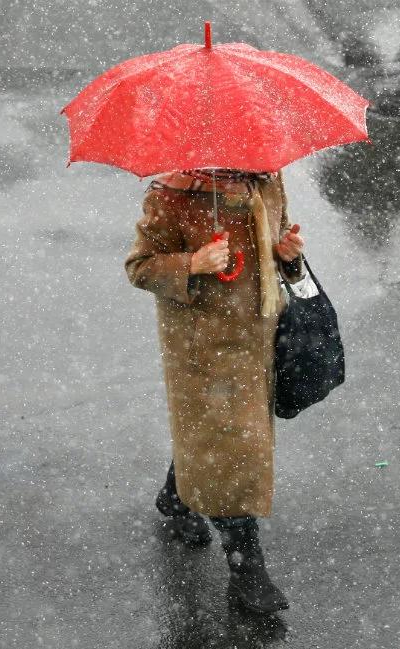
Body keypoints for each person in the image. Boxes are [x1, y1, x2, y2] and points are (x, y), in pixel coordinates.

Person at [125, 167, 306, 614]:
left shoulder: (266, 180)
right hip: (202, 348)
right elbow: (139, 267)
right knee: (235, 444)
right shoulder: (172, 195)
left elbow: (279, 240)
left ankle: (175, 495)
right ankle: (247, 569)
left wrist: (288, 256)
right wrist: (191, 264)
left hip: (259, 337)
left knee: (215, 436)